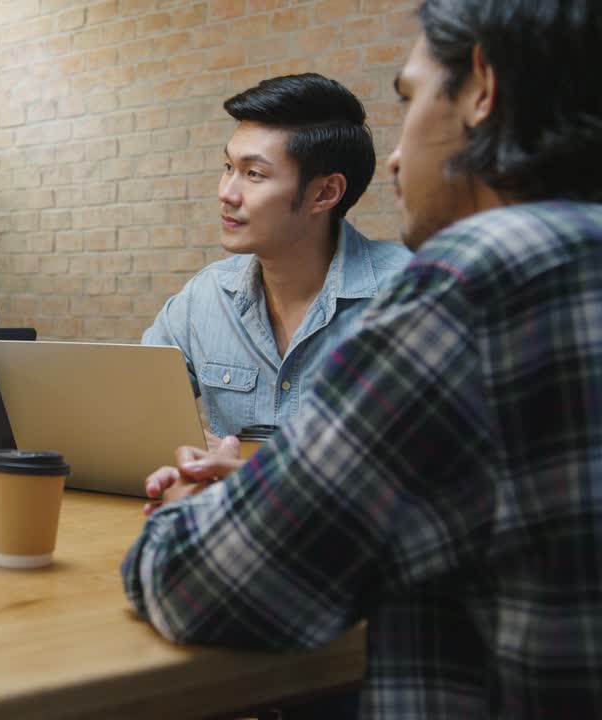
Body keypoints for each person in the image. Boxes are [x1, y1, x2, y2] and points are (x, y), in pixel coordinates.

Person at [124, 0, 602, 716]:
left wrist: (197, 504)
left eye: (410, 97)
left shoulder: (472, 276)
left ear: (481, 87)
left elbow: (207, 584)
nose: (400, 155)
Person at [142, 74, 411, 442]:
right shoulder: (205, 297)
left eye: (253, 174)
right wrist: (189, 445)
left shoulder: (410, 294)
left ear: (325, 193)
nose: (227, 193)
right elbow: (132, 409)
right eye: (227, 168)